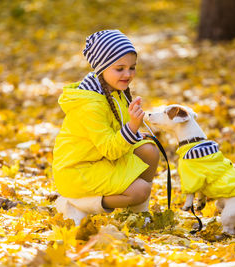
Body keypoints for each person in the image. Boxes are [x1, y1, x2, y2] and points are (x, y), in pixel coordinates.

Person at [52, 30, 160, 225]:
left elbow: (116, 134)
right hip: (78, 170)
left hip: (99, 160)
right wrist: (132, 127)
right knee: (140, 190)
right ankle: (78, 203)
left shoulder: (114, 91)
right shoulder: (90, 105)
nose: (128, 74)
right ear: (102, 68)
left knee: (149, 151)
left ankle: (137, 215)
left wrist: (135, 132)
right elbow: (110, 149)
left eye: (132, 67)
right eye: (120, 69)